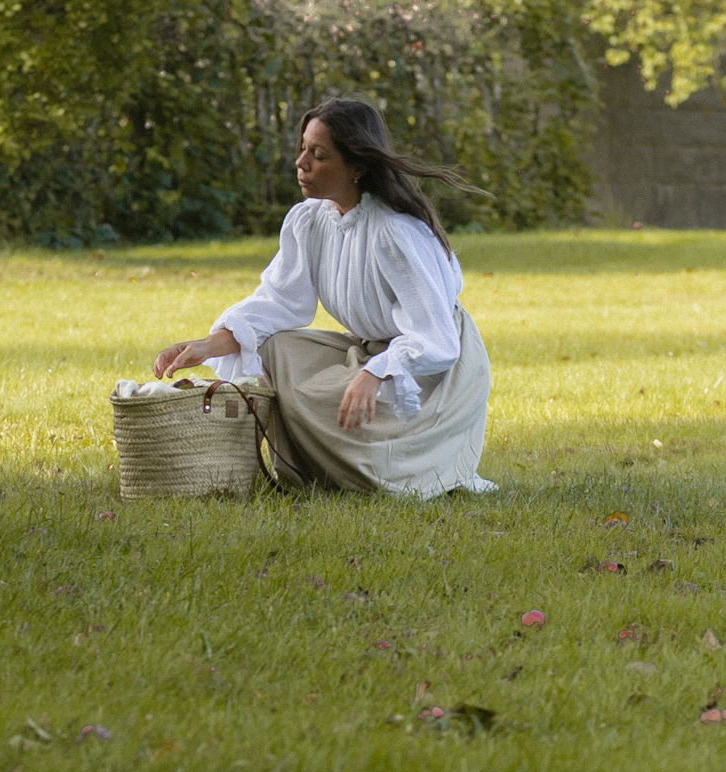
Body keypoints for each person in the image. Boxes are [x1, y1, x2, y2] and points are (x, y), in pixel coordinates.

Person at [153, 98, 495, 496]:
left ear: (357, 167)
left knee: (363, 452)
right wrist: (207, 345)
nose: (302, 163)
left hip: (432, 371)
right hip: (371, 353)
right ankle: (323, 465)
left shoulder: (396, 232)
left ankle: (382, 463)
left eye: (319, 155)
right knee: (275, 350)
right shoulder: (310, 220)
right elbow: (280, 301)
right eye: (302, 149)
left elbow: (436, 338)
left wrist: (374, 374)